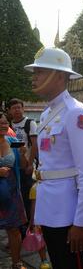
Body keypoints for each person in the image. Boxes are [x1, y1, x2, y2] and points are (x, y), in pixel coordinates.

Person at [24, 45, 83, 269]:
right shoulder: (48, 112)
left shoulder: (75, 112)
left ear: (59, 75)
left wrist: (82, 221)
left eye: (40, 72)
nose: (34, 77)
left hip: (69, 213)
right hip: (50, 207)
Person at [0, 111, 28, 269]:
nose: (3, 125)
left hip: (11, 190)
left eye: (5, 123)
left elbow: (23, 166)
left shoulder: (13, 141)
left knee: (14, 228)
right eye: (0, 123)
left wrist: (24, 154)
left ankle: (16, 262)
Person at [7, 98, 38, 221]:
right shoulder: (8, 125)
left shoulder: (30, 123)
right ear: (9, 111)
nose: (17, 110)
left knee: (28, 195)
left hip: (27, 167)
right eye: (14, 108)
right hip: (12, 166)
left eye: (19, 107)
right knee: (15, 195)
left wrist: (30, 164)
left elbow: (35, 145)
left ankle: (29, 223)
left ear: (23, 108)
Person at [28, 182, 52, 269]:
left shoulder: (35, 187)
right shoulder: (53, 184)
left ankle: (44, 261)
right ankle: (46, 260)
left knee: (40, 241)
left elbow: (33, 207)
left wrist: (32, 221)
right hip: (49, 220)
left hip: (40, 220)